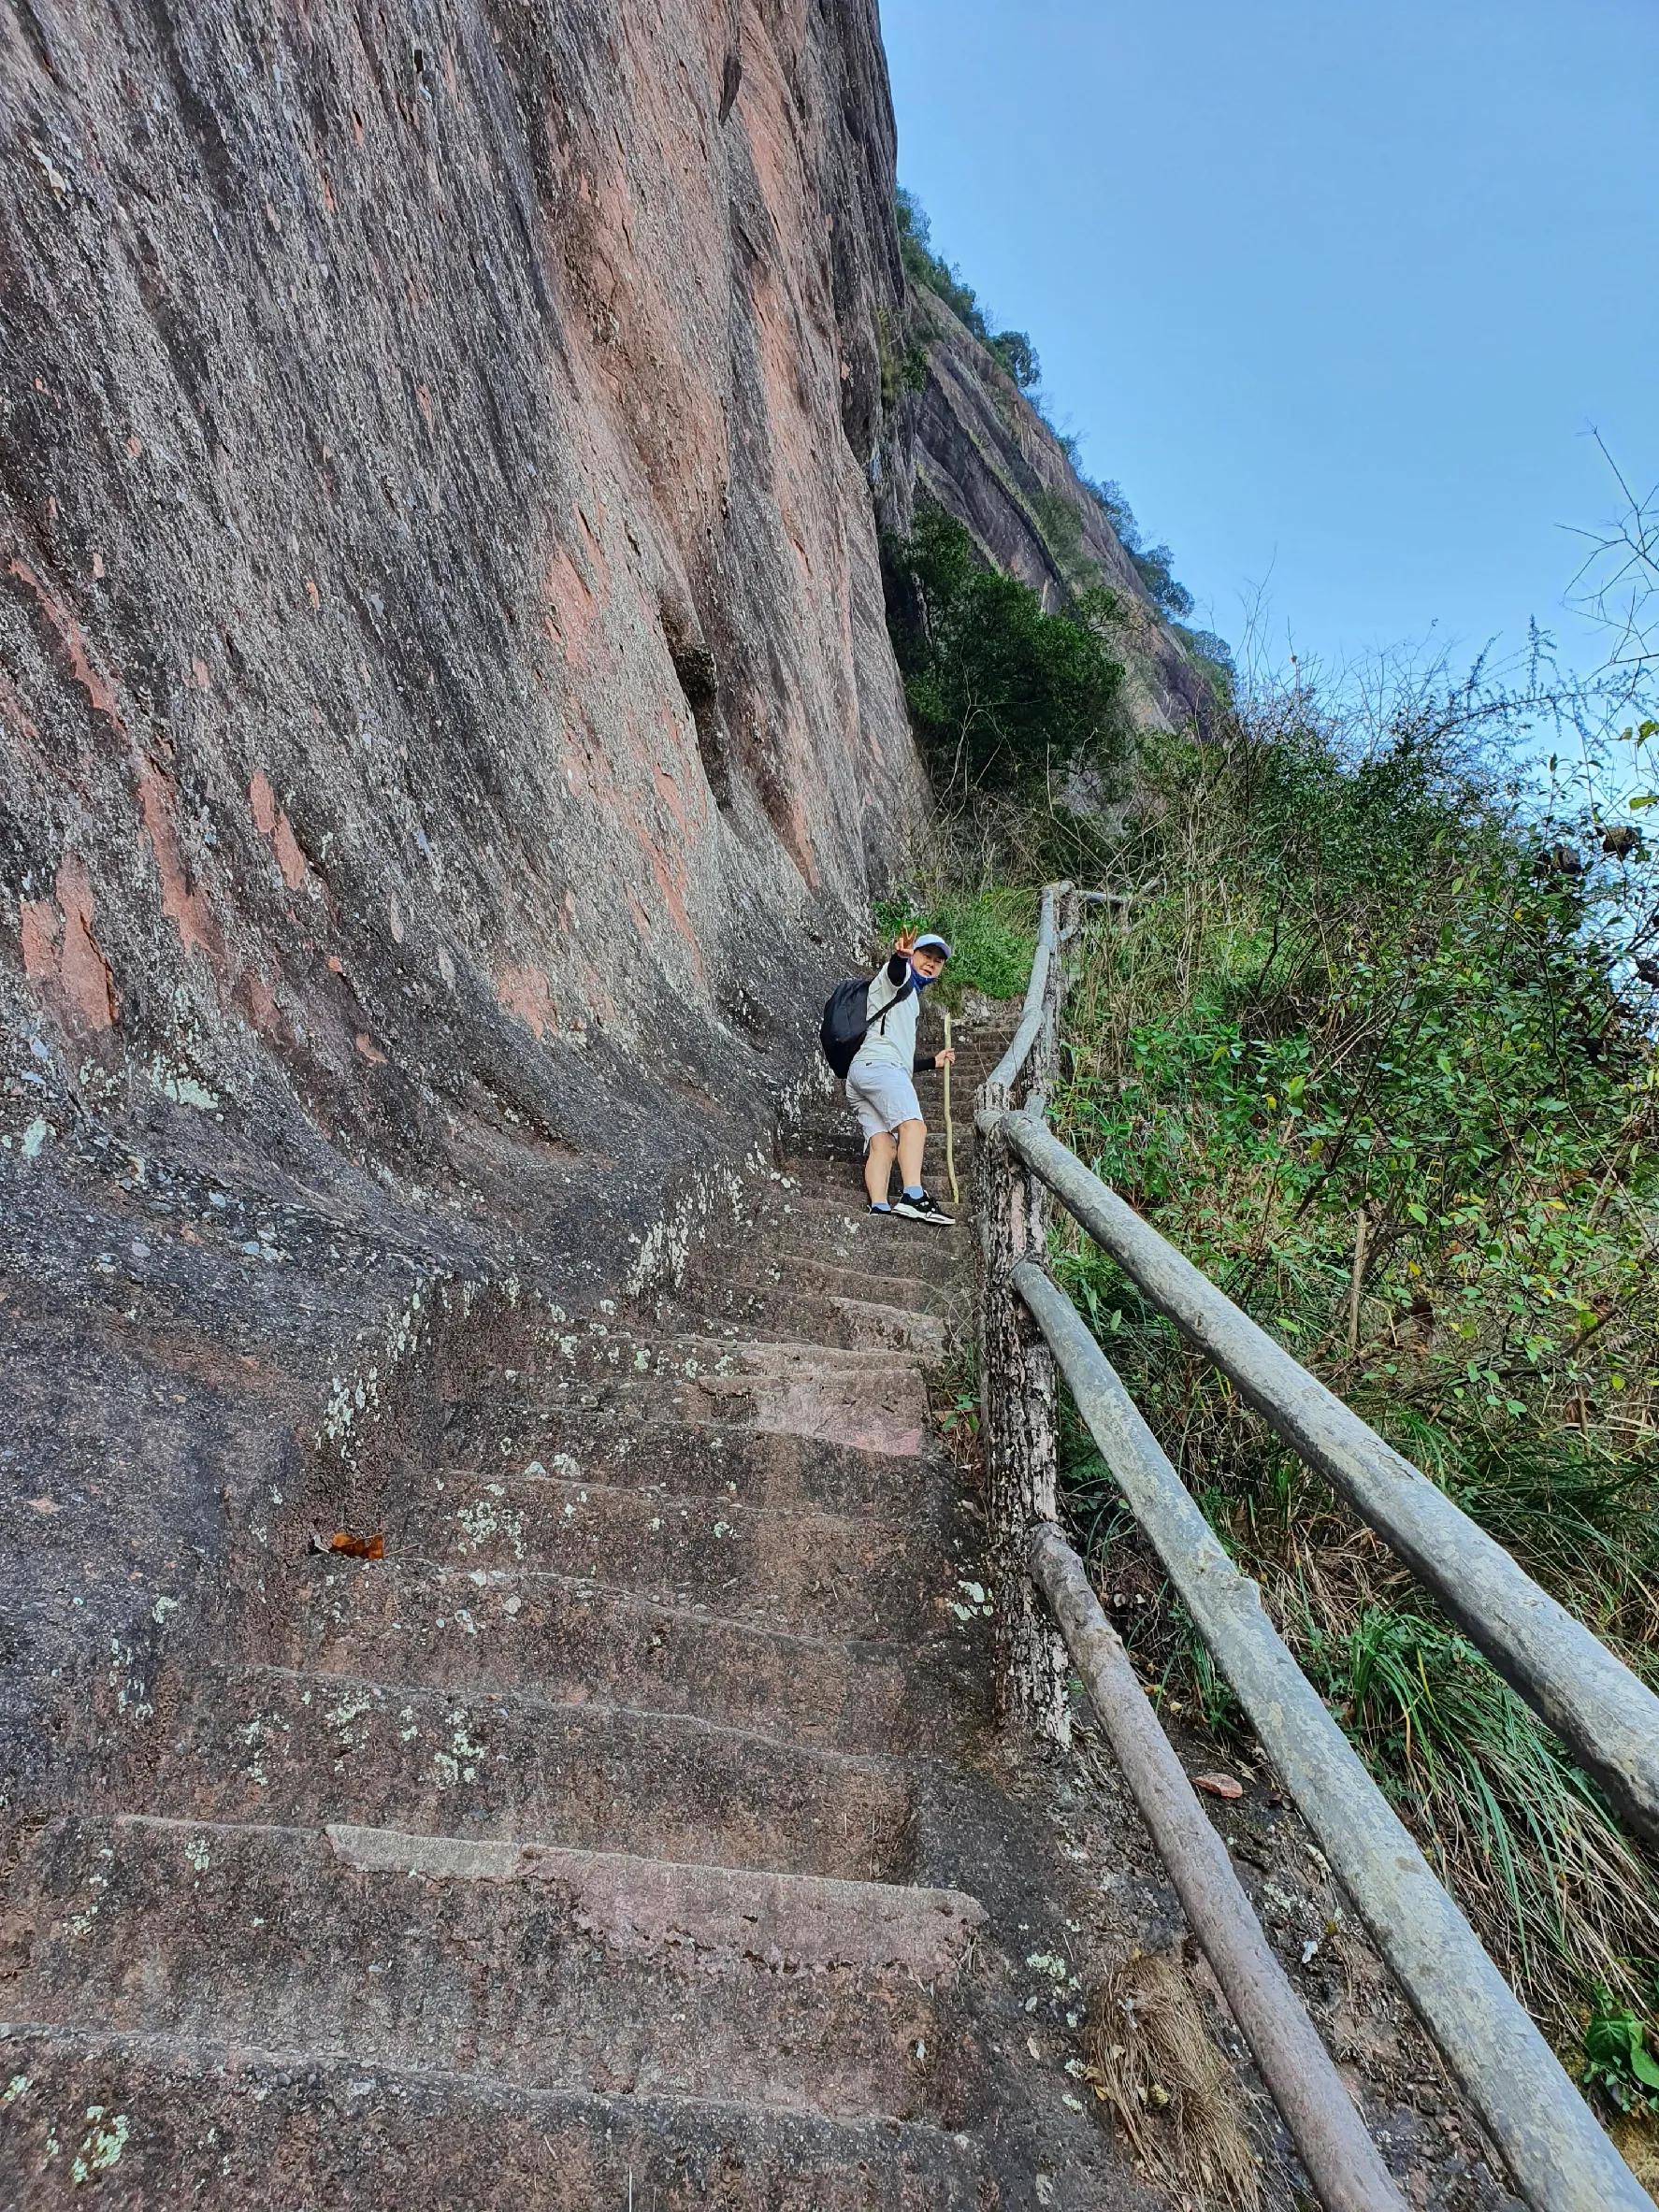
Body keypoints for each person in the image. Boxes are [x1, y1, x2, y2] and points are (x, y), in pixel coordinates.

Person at [846, 925, 957, 1224]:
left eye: (938, 960)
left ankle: (879, 1206)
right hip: (880, 1068)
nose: (931, 962)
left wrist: (932, 1062)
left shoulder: (911, 998)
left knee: (885, 1145)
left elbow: (901, 1060)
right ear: (912, 955)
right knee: (914, 1127)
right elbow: (896, 973)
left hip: (864, 1072)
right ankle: (913, 1196)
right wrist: (899, 957)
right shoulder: (900, 977)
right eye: (925, 954)